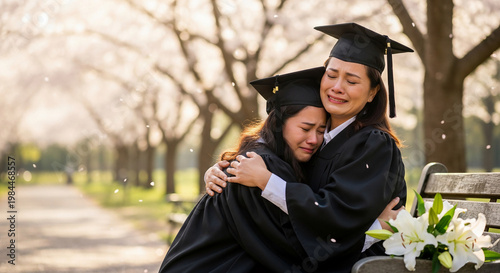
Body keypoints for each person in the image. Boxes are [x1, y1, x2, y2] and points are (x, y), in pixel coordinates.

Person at [205, 22, 412, 272]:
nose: (337, 87)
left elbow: (335, 217)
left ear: (372, 92)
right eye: (332, 75)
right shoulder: (320, 142)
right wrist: (223, 169)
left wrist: (267, 181)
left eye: (352, 81)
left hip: (361, 264)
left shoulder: (374, 144)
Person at [160, 66, 401, 273]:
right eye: (305, 128)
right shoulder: (261, 167)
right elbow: (300, 253)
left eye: (320, 131)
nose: (314, 140)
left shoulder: (263, 161)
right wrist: (375, 231)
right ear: (279, 124)